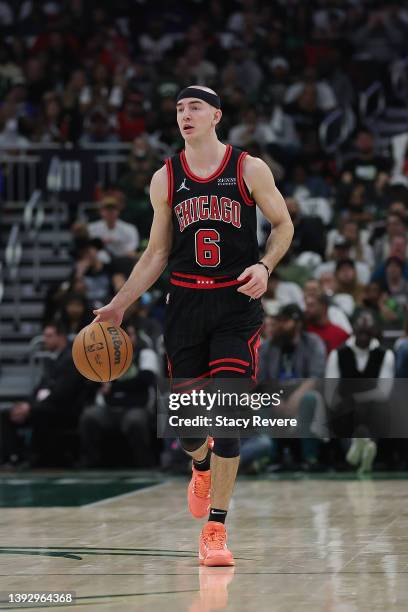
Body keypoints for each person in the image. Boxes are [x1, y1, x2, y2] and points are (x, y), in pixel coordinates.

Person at [93, 85, 293, 566]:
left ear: (215, 115)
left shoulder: (248, 168)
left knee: (227, 421)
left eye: (194, 107)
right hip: (184, 303)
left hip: (234, 304)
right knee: (188, 430)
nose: (185, 114)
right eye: (180, 108)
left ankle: (216, 530)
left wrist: (265, 267)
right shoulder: (166, 178)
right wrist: (119, 305)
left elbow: (283, 225)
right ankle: (198, 464)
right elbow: (156, 253)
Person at [7, 322, 88, 466]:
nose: (45, 339)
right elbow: (40, 387)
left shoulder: (72, 358)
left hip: (64, 408)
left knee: (39, 413)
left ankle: (36, 458)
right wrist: (27, 404)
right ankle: (14, 457)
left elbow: (63, 392)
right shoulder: (50, 359)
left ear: (61, 337)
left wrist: (31, 408)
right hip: (45, 405)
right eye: (44, 336)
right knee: (8, 413)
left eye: (49, 336)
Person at [79, 323, 160, 468]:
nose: (125, 339)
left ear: (136, 336)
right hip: (109, 407)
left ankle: (144, 463)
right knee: (89, 417)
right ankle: (92, 463)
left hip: (136, 406)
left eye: (129, 334)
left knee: (136, 421)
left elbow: (145, 379)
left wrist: (113, 387)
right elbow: (93, 381)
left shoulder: (145, 353)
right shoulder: (105, 356)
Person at [325, 311, 395, 474]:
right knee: (340, 412)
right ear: (353, 329)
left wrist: (356, 398)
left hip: (373, 408)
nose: (364, 332)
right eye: (360, 328)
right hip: (345, 408)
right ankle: (358, 453)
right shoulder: (337, 354)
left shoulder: (386, 354)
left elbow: (384, 392)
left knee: (379, 408)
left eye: (368, 328)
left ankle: (364, 452)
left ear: (375, 330)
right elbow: (330, 392)